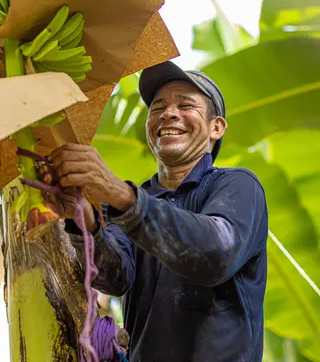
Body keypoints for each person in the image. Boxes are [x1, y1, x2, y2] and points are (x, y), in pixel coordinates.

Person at [48, 61, 268, 362]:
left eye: (186, 105)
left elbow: (217, 252)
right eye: (157, 108)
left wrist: (120, 194)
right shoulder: (133, 202)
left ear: (216, 127)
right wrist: (83, 220)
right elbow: (115, 278)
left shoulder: (237, 185)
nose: (168, 113)